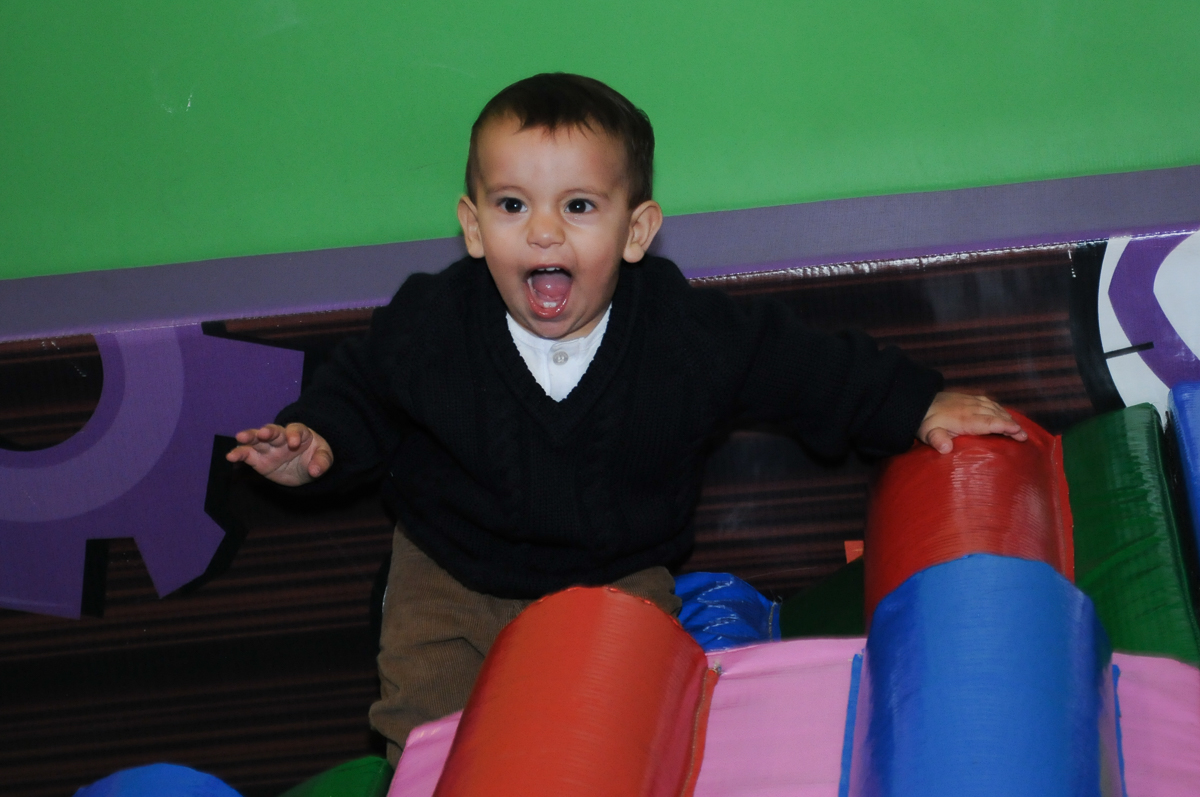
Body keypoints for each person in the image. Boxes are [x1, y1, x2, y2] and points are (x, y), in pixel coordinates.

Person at [226, 73, 1026, 763]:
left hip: (617, 574)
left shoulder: (679, 333)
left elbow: (796, 367)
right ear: (473, 227)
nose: (543, 231)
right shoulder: (433, 321)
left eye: (578, 206)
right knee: (433, 726)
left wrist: (915, 401)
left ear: (636, 230)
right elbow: (363, 387)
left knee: (624, 724)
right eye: (512, 205)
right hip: (451, 574)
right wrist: (315, 439)